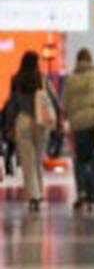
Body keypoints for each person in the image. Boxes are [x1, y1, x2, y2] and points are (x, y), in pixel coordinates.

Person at [6, 51, 58, 213]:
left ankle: (34, 195)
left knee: (27, 161)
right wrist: (58, 118)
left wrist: (9, 125)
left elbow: (12, 105)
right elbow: (54, 100)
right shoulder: (42, 79)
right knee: (38, 159)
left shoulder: (16, 80)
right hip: (41, 122)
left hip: (23, 121)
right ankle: (39, 192)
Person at [61, 48, 94, 212]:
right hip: (93, 123)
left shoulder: (70, 79)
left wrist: (68, 119)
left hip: (77, 125)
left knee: (80, 160)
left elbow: (64, 104)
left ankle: (81, 191)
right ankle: (91, 195)